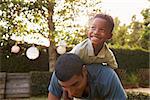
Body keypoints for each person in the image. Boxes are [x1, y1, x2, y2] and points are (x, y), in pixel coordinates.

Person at [48, 53, 127, 100]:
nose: (71, 94)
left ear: (84, 71)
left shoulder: (106, 78)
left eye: (75, 84)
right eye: (64, 87)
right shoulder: (58, 77)